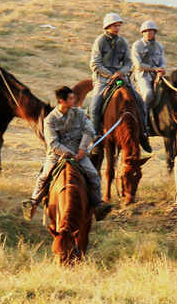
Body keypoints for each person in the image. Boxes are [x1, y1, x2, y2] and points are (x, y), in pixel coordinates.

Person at [22, 86, 112, 221]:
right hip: (57, 155)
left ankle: (98, 205)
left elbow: (89, 131)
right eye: (71, 98)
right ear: (62, 101)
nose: (74, 100)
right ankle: (33, 203)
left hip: (79, 153)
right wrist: (70, 153)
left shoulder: (79, 113)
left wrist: (82, 149)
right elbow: (53, 144)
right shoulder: (50, 120)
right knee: (43, 177)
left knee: (93, 175)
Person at [87, 13, 151, 152]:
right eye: (115, 26)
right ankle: (95, 136)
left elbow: (129, 62)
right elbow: (95, 64)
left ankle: (144, 133)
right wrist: (110, 75)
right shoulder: (99, 41)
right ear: (108, 26)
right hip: (103, 79)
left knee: (140, 101)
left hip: (121, 78)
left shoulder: (123, 42)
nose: (117, 28)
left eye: (118, 26)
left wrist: (121, 72)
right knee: (94, 105)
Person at [130, 20, 166, 132]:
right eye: (146, 31)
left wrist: (161, 70)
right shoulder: (137, 45)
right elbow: (138, 65)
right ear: (142, 33)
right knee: (148, 94)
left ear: (155, 32)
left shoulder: (159, 46)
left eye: (151, 31)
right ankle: (143, 122)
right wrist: (154, 69)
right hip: (142, 76)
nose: (148, 33)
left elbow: (162, 62)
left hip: (157, 76)